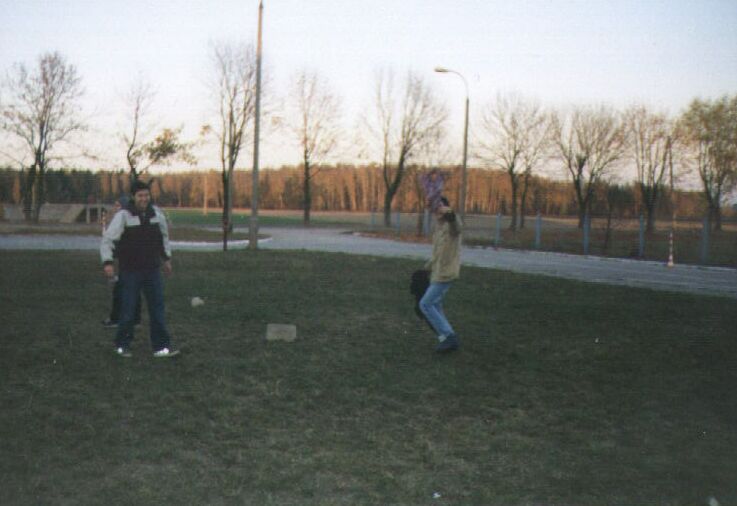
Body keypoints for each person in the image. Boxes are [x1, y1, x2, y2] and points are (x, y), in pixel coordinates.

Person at [100, 180, 179, 358]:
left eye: (146, 195)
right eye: (140, 195)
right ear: (133, 197)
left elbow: (163, 238)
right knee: (128, 311)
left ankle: (161, 347)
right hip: (130, 271)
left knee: (157, 310)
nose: (144, 199)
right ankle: (122, 346)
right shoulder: (124, 215)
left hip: (152, 270)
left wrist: (166, 259)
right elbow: (108, 240)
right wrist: (108, 262)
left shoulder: (156, 214)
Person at [419, 196, 462, 353]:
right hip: (437, 272)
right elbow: (437, 252)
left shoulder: (451, 224)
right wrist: (427, 267)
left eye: (440, 206)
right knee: (436, 304)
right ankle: (447, 336)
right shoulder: (438, 227)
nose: (437, 209)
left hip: (446, 273)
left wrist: (450, 214)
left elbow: (457, 226)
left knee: (425, 304)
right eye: (435, 207)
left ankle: (449, 335)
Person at [102, 196, 142, 328]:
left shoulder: (126, 220)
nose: (115, 208)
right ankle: (134, 319)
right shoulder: (123, 220)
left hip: (130, 262)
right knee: (131, 290)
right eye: (115, 205)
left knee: (121, 290)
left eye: (118, 205)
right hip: (128, 261)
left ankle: (117, 319)